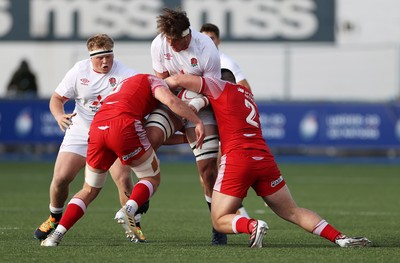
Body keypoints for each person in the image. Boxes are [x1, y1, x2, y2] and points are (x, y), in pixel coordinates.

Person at [164, 69, 372, 248]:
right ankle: (340, 238)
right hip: (263, 158)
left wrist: (156, 86)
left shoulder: (219, 87)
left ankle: (252, 225)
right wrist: (201, 102)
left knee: (218, 220)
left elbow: (178, 80)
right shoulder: (246, 94)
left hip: (238, 158)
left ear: (218, 80)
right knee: (292, 211)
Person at [40, 73, 205, 247]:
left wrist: (184, 139)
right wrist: (197, 121)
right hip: (123, 125)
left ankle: (56, 235)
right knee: (151, 178)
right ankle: (129, 210)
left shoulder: (124, 86)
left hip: (97, 127)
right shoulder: (152, 80)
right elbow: (171, 102)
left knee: (88, 189)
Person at [147, 7, 248, 245]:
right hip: (173, 102)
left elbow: (213, 90)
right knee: (147, 140)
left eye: (176, 41)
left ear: (187, 35)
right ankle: (143, 194)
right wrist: (178, 106)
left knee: (208, 170)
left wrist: (194, 107)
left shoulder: (206, 48)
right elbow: (163, 85)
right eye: (168, 40)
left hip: (202, 104)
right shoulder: (159, 44)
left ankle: (217, 225)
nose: (171, 46)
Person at [34, 34, 148, 243]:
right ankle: (54, 217)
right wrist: (59, 115)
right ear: (90, 57)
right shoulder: (79, 70)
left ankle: (134, 226)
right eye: (100, 58)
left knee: (123, 179)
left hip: (110, 132)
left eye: (109, 56)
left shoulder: (126, 75)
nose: (105, 62)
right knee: (60, 179)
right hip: (81, 130)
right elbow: (57, 98)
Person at [200, 23, 252, 91]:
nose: (207, 41)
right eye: (204, 38)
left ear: (218, 41)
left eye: (211, 38)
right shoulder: (193, 59)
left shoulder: (226, 63)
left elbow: (246, 89)